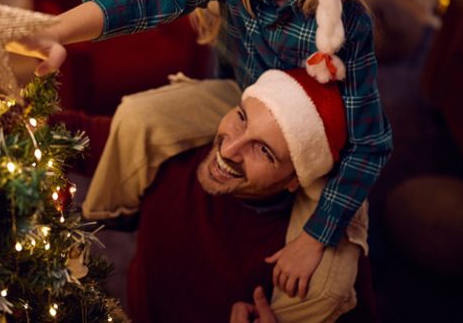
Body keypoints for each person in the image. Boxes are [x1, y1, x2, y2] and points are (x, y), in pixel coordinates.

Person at [9, 0, 392, 297]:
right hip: (239, 95)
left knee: (326, 289)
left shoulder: (348, 26)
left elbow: (369, 144)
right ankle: (115, 212)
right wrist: (59, 30)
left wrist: (315, 237)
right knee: (136, 115)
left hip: (314, 142)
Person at [60, 69, 368, 323]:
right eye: (242, 118)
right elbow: (79, 136)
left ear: (294, 181)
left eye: (264, 151)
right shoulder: (179, 149)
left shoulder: (300, 263)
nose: (229, 150)